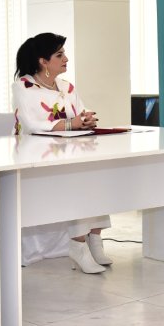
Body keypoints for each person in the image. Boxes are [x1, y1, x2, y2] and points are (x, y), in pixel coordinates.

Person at [12, 32, 113, 274]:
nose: (66, 59)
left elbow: (81, 112)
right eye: (59, 55)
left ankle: (94, 238)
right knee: (78, 179)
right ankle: (78, 245)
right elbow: (33, 124)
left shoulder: (66, 86)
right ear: (43, 61)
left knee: (98, 173)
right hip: (37, 156)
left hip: (71, 150)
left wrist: (86, 119)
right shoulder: (24, 86)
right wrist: (72, 124)